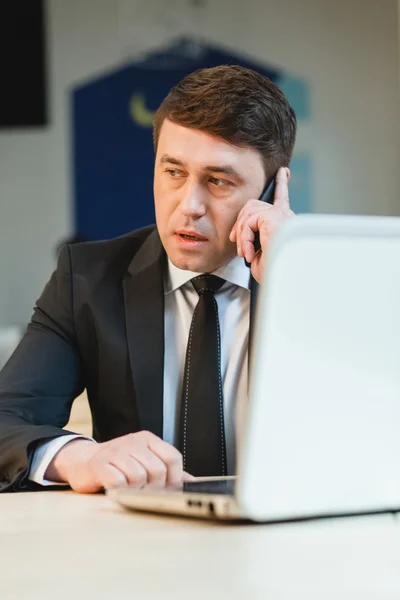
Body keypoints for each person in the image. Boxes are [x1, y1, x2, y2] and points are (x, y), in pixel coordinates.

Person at [0, 65, 296, 493]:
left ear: (272, 190)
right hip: (139, 545)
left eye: (218, 181)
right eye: (173, 172)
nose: (188, 206)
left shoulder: (324, 282)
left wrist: (294, 291)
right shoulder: (86, 278)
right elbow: (7, 418)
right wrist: (84, 457)